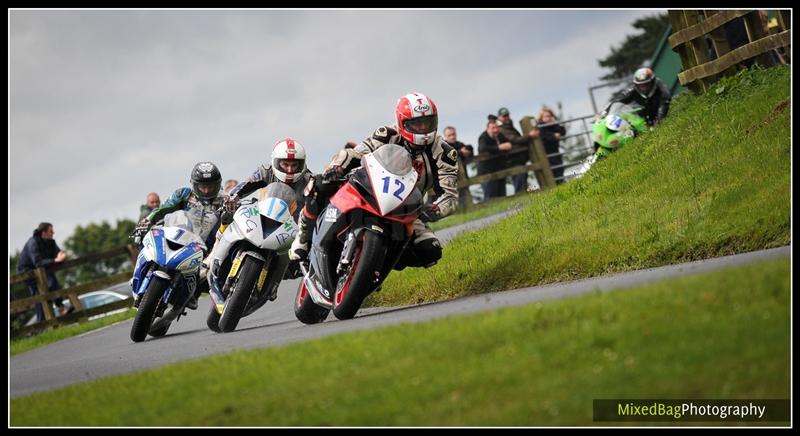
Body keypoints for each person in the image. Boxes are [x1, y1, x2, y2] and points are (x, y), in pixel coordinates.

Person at [289, 92, 459, 271]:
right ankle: (302, 239)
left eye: (427, 122)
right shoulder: (387, 135)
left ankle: (375, 268)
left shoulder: (445, 153)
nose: (423, 128)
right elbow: (357, 152)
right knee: (320, 185)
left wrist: (434, 210)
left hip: (407, 210)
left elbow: (449, 195)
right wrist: (337, 167)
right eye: (416, 123)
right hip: (369, 190)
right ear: (402, 122)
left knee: (429, 250)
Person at [204, 138, 312, 301]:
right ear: (276, 162)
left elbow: (318, 205)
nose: (289, 169)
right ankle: (215, 257)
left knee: (299, 261)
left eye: (294, 165)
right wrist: (233, 197)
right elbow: (245, 185)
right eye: (285, 164)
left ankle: (273, 284)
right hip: (261, 217)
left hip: (290, 229)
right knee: (228, 216)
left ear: (302, 164)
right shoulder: (265, 171)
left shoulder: (308, 180)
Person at [131, 161, 225, 310]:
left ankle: (193, 294)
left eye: (210, 186)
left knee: (210, 271)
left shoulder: (224, 201)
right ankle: (140, 276)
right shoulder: (183, 194)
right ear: (194, 184)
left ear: (218, 185)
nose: (206, 191)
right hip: (178, 235)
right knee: (147, 244)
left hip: (203, 247)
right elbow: (162, 209)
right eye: (202, 186)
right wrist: (147, 220)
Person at [16, 222, 68, 322]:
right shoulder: (33, 243)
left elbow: (59, 254)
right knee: (42, 292)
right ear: (43, 233)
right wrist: (55, 260)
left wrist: (62, 255)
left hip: (40, 270)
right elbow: (38, 262)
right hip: (26, 271)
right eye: (51, 231)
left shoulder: (51, 242)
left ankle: (58, 309)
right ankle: (46, 320)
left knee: (47, 288)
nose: (53, 233)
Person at [606, 67, 671, 127]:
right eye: (641, 85)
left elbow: (664, 104)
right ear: (636, 85)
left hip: (655, 117)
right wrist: (606, 112)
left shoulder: (661, 88)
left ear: (652, 81)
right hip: (640, 119)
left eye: (646, 84)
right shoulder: (633, 90)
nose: (644, 88)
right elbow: (619, 99)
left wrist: (657, 123)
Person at [496, 107, 537, 194]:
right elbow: (515, 139)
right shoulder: (502, 129)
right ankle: (521, 205)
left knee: (523, 184)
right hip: (513, 161)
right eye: (504, 116)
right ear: (499, 117)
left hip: (519, 160)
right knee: (520, 187)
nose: (506, 117)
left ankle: (525, 203)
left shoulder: (509, 126)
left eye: (507, 115)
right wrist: (529, 136)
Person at [477, 117, 512, 200]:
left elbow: (507, 142)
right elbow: (482, 148)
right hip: (487, 173)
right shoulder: (483, 137)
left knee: (502, 197)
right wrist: (499, 148)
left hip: (499, 170)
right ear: (487, 129)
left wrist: (508, 145)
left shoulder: (499, 135)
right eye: (493, 128)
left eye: (497, 127)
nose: (495, 130)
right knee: (491, 199)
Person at [534, 106, 567, 184]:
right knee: (554, 170)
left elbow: (563, 131)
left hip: (555, 151)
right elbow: (543, 135)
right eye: (546, 116)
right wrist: (553, 136)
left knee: (560, 168)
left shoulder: (552, 125)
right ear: (541, 117)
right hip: (546, 153)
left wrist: (555, 124)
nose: (549, 118)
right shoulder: (540, 126)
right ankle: (558, 185)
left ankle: (560, 184)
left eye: (550, 116)